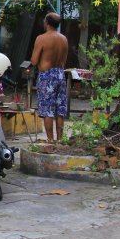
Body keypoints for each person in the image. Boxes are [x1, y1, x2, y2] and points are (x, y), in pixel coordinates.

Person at [30, 12, 69, 142]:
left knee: (48, 109)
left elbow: (34, 61)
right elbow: (65, 60)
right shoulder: (63, 39)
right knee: (60, 109)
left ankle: (50, 140)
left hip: (47, 75)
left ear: (47, 22)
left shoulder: (42, 38)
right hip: (60, 73)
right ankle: (60, 139)